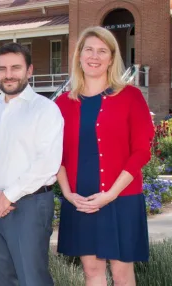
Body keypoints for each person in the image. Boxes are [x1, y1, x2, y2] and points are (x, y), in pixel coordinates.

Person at [55, 26, 154, 286]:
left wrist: (111, 194)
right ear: (79, 56)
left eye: (102, 51)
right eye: (89, 49)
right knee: (91, 272)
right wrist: (67, 194)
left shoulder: (131, 96)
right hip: (82, 199)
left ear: (111, 58)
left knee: (122, 274)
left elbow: (142, 150)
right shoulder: (62, 104)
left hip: (122, 198)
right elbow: (55, 155)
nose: (94, 56)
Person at [0, 42, 63, 286]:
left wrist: (8, 196)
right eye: (2, 69)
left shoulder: (46, 110)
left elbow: (46, 162)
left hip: (31, 205)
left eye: (16, 67)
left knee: (32, 279)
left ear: (29, 70)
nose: (9, 74)